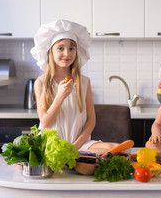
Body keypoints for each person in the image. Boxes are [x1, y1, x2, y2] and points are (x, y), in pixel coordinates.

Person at [30, 19, 117, 155]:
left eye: (71, 48)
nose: (67, 53)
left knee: (114, 148)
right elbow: (45, 122)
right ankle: (71, 161)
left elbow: (91, 120)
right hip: (52, 145)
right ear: (50, 52)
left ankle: (73, 159)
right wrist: (60, 96)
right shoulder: (41, 82)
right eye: (60, 48)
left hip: (79, 144)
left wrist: (75, 146)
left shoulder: (84, 82)